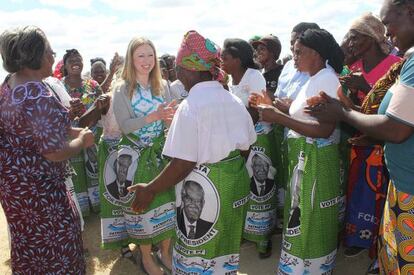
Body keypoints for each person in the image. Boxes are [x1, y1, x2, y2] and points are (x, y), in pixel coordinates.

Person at [128, 30, 256, 274]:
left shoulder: (191, 106)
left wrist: (150, 189)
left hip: (203, 191)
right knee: (224, 250)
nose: (177, 74)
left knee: (197, 253)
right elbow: (245, 148)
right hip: (233, 189)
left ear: (189, 70)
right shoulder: (234, 102)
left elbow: (182, 163)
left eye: (178, 68)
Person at [305, 1, 414, 273]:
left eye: (388, 23)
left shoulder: (405, 62)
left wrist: (343, 113)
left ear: (410, 11)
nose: (388, 34)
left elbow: (397, 128)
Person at [0, 25, 95, 274]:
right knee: (57, 249)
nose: (53, 56)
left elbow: (30, 130)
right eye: (49, 51)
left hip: (16, 190)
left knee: (30, 247)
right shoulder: (36, 92)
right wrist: (82, 140)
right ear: (34, 55)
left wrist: (71, 131)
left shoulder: (10, 85)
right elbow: (53, 151)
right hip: (41, 192)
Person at [250, 28, 344, 274]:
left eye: (299, 52)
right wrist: (271, 107)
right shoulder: (313, 79)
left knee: (310, 221)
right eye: (293, 51)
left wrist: (278, 117)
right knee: (301, 220)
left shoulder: (326, 79)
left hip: (315, 161)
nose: (294, 56)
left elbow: (324, 130)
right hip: (303, 160)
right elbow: (300, 115)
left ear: (316, 53)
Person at [339, 13, 402, 263]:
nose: (351, 43)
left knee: (381, 195)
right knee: (358, 191)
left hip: (385, 143)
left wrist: (365, 86)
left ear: (371, 37)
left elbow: (396, 110)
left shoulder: (396, 64)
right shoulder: (351, 68)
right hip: (358, 142)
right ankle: (358, 238)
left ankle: (379, 245)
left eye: (355, 37)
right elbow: (351, 107)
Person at [111, 36, 176, 275]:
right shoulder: (121, 89)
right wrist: (154, 117)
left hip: (161, 153)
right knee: (143, 206)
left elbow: (169, 119)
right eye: (141, 55)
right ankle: (146, 257)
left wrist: (170, 118)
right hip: (135, 154)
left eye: (150, 55)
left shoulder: (164, 85)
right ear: (131, 59)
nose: (147, 61)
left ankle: (165, 252)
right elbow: (125, 126)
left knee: (167, 202)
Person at [222, 37, 277, 258]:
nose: (221, 61)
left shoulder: (254, 78)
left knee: (260, 189)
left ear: (237, 59)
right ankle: (246, 231)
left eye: (225, 58)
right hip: (238, 141)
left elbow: (256, 112)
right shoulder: (229, 79)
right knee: (244, 188)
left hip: (257, 140)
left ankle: (263, 238)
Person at [271, 22, 321, 233]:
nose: (293, 48)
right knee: (292, 186)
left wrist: (287, 108)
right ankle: (291, 225)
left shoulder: (321, 72)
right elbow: (279, 96)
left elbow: (316, 109)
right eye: (291, 43)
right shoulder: (287, 68)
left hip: (311, 140)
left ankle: (308, 232)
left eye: (298, 44)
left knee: (308, 190)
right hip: (288, 133)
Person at [63, 48, 106, 215]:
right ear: (65, 65)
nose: (75, 62)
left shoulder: (93, 85)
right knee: (76, 176)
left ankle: (97, 207)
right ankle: (79, 211)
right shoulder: (59, 86)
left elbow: (104, 111)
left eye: (78, 59)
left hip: (92, 138)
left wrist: (102, 104)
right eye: (71, 60)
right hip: (70, 139)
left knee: (94, 173)